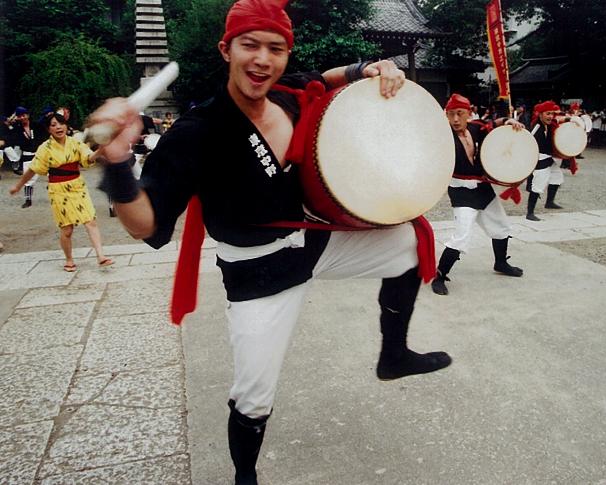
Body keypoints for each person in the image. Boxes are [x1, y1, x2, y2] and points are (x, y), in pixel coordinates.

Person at [88, 1, 451, 483]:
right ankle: (245, 475)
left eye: (275, 49)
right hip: (258, 271)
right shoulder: (198, 131)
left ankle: (394, 354)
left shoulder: (286, 96)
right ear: (227, 49)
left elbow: (321, 76)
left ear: (285, 55)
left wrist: (369, 67)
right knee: (254, 395)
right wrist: (116, 162)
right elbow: (146, 224)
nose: (263, 59)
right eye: (250, 46)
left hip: (309, 243)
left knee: (409, 243)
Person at [431, 94, 524, 296]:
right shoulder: (441, 136)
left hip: (483, 189)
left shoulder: (476, 128)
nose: (455, 119)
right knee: (462, 236)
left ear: (469, 114)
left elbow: (493, 123)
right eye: (450, 115)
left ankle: (500, 263)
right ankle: (439, 275)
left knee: (501, 226)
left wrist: (510, 122)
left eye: (459, 114)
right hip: (461, 192)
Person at [9, 113, 114, 271]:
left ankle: (100, 256)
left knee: (90, 220)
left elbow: (88, 158)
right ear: (48, 129)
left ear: (66, 125)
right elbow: (33, 170)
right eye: (53, 125)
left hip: (77, 185)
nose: (58, 127)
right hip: (58, 189)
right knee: (67, 229)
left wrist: (100, 150)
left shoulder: (75, 143)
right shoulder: (45, 148)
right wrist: (18, 186)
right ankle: (69, 259)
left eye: (61, 123)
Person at [526, 101, 563, 221]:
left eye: (552, 114)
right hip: (539, 159)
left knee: (557, 177)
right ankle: (530, 213)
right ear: (540, 114)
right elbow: (527, 141)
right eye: (548, 113)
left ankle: (549, 202)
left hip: (548, 157)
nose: (550, 116)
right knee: (538, 184)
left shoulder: (549, 124)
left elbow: (561, 119)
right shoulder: (536, 127)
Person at [10, 106, 46, 207]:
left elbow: (44, 135)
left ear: (28, 115)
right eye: (19, 116)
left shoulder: (36, 126)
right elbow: (12, 138)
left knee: (53, 173)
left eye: (23, 115)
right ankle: (28, 199)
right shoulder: (17, 129)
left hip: (40, 154)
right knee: (28, 179)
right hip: (27, 156)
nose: (22, 117)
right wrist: (11, 124)